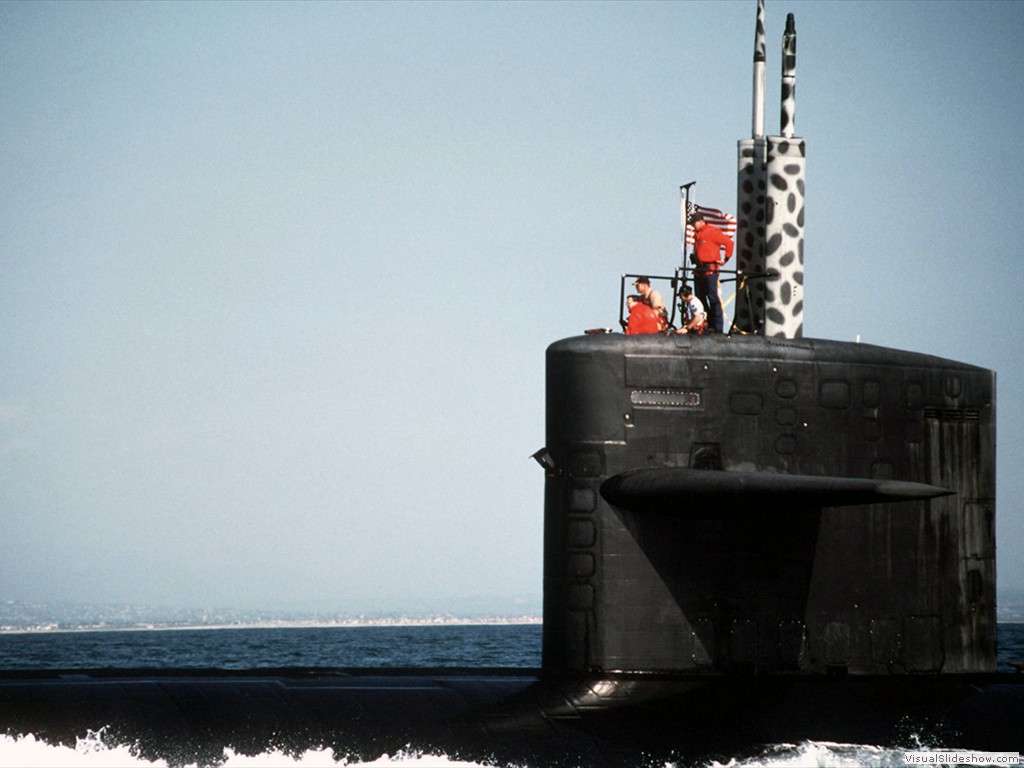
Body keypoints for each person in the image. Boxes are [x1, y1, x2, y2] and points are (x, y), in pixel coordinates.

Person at [690, 214, 734, 333]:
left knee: (712, 297)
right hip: (700, 269)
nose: (693, 227)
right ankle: (707, 323)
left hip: (710, 268)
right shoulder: (697, 234)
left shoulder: (712, 231)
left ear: (700, 221)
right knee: (700, 298)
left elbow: (729, 243)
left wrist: (726, 259)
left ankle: (717, 326)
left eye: (694, 223)